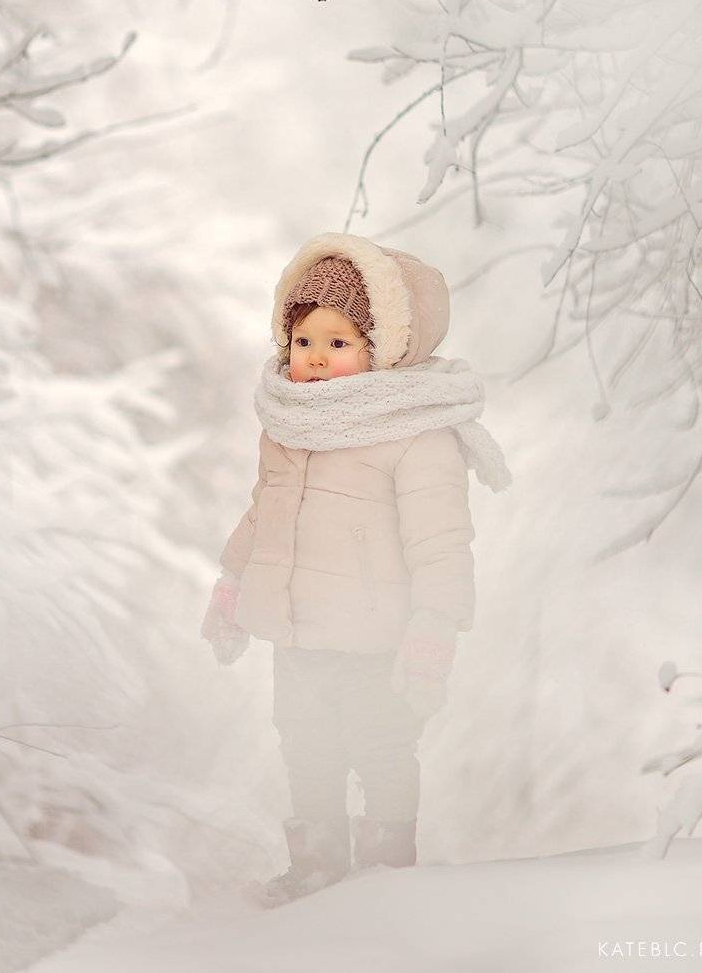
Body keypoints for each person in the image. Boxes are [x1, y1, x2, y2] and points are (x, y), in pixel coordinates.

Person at [200, 231, 511, 907]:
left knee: (381, 749)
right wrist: (233, 585)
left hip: (379, 642)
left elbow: (441, 543)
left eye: (338, 342)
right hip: (297, 634)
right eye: (303, 340)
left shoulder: (415, 432)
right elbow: (264, 513)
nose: (314, 357)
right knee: (305, 746)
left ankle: (385, 877)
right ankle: (314, 869)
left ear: (384, 347)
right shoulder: (289, 425)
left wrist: (434, 626)